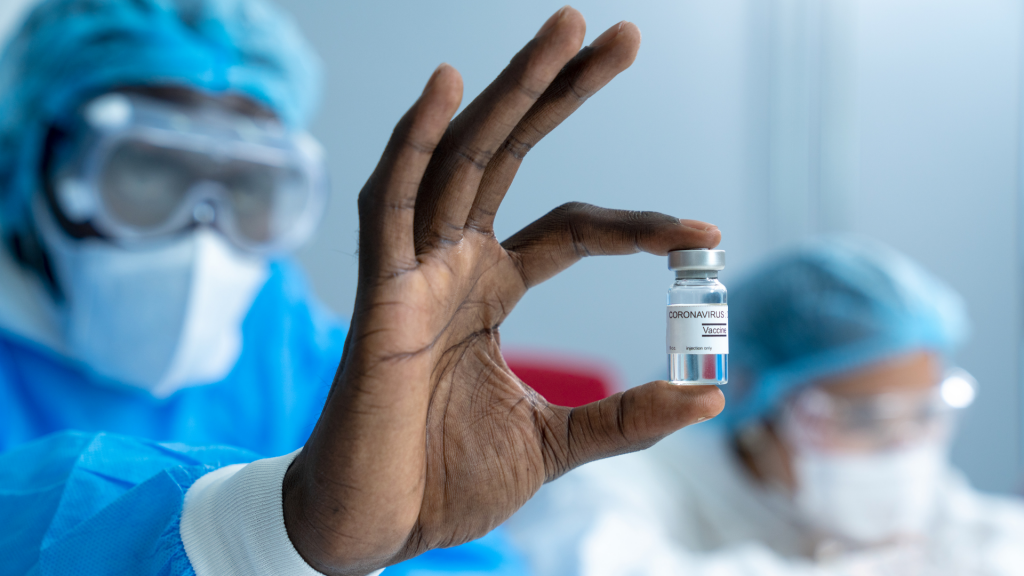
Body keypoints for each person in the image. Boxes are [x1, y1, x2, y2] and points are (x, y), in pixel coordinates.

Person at [0, 2, 728, 575]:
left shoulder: (290, 342)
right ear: (33, 158)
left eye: (253, 188)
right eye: (146, 173)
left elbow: (462, 563)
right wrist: (259, 534)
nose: (203, 238)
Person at [505, 237, 1024, 576]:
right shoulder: (618, 479)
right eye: (865, 417)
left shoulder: (918, 481)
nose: (905, 446)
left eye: (927, 412)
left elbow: (993, 538)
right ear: (758, 403)